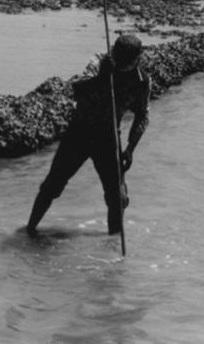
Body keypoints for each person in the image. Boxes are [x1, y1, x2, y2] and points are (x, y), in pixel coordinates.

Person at [26, 33, 150, 235]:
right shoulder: (100, 62)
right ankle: (28, 231)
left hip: (108, 138)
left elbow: (143, 116)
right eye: (117, 59)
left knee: (117, 199)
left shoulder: (141, 80)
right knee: (52, 187)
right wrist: (102, 77)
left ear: (137, 58)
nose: (120, 65)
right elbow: (75, 89)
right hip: (79, 133)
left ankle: (112, 248)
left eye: (125, 63)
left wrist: (130, 149)